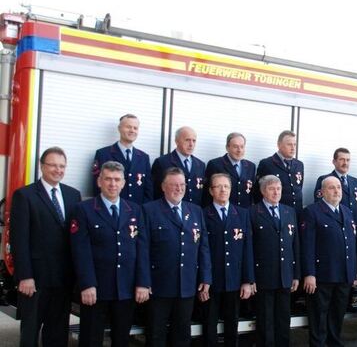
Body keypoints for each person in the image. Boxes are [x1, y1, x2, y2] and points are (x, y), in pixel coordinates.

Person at [70, 161, 150, 347]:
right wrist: (87, 284)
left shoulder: (135, 210)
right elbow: (80, 251)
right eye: (108, 179)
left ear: (123, 183)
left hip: (126, 288)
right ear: (99, 182)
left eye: (117, 180)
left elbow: (142, 249)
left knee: (121, 339)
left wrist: (143, 283)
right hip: (96, 288)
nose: (112, 184)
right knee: (91, 338)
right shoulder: (84, 209)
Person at [9, 147, 82, 347]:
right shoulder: (24, 195)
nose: (58, 170)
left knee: (58, 331)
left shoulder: (73, 195)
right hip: (35, 279)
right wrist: (25, 276)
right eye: (53, 165)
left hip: (63, 278)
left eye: (62, 166)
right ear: (42, 166)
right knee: (31, 331)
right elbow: (19, 240)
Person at [143, 167, 212, 347]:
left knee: (182, 335)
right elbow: (142, 250)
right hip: (159, 286)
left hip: (187, 285)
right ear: (163, 187)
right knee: (155, 334)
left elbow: (203, 247)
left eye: (182, 185)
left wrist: (205, 277)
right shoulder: (150, 210)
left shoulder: (195, 211)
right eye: (174, 185)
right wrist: (143, 281)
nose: (179, 189)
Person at [301, 176, 357, 347]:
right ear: (322, 191)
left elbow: (352, 244)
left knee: (337, 314)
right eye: (331, 188)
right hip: (322, 275)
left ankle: (334, 343)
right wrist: (309, 274)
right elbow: (307, 245)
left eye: (339, 187)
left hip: (343, 275)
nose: (336, 191)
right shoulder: (312, 211)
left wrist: (353, 271)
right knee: (319, 316)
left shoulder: (347, 212)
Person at [201, 173, 255, 347]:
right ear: (211, 191)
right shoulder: (202, 214)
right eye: (218, 186)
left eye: (226, 186)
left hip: (235, 280)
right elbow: (202, 251)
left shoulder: (242, 214)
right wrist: (204, 279)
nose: (223, 190)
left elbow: (248, 249)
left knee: (232, 323)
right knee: (209, 324)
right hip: (212, 281)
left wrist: (248, 280)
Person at [249, 175, 300, 347]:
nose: (276, 192)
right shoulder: (253, 212)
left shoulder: (289, 211)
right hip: (263, 276)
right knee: (265, 321)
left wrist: (296, 274)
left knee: (283, 319)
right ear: (263, 191)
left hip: (285, 276)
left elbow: (296, 245)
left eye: (278, 188)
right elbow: (249, 248)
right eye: (271, 188)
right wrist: (250, 278)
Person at [92, 113, 152, 204]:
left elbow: (148, 190)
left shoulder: (144, 157)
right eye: (128, 127)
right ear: (119, 128)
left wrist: (143, 212)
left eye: (135, 128)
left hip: (137, 212)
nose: (132, 130)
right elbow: (97, 186)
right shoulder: (103, 154)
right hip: (112, 211)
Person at [152, 126, 206, 205]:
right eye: (187, 140)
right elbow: (155, 192)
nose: (191, 144)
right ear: (177, 141)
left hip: (193, 213)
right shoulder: (162, 162)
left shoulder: (200, 165)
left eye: (194, 141)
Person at [256, 130, 305, 212]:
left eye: (295, 145)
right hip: (277, 213)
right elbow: (258, 192)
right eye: (289, 144)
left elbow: (299, 187)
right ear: (279, 145)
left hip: (296, 212)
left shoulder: (299, 164)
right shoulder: (267, 164)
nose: (293, 148)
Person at [204, 132, 256, 208]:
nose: (239, 150)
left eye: (242, 147)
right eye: (235, 147)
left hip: (244, 213)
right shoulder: (215, 164)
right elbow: (207, 193)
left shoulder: (251, 166)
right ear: (227, 147)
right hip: (224, 212)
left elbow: (251, 193)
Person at [314, 148, 357, 224]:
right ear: (334, 162)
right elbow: (320, 205)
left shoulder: (355, 181)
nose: (345, 163)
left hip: (354, 225)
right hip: (334, 224)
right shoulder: (325, 179)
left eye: (348, 160)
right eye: (342, 159)